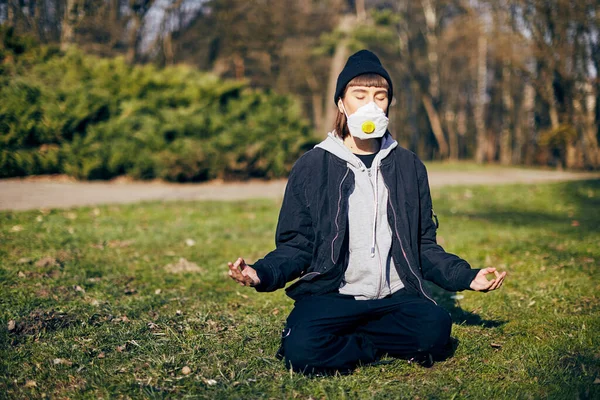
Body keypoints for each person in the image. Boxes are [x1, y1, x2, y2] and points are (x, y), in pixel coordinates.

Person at [227, 49, 507, 375]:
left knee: (436, 331)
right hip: (334, 293)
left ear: (389, 104)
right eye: (360, 95)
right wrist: (261, 272)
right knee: (301, 350)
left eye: (380, 96)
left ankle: (355, 340)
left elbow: (423, 246)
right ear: (341, 104)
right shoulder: (312, 165)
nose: (371, 105)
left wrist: (467, 276)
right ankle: (368, 340)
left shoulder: (409, 166)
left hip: (395, 295)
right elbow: (297, 244)